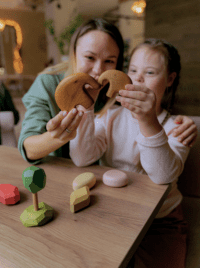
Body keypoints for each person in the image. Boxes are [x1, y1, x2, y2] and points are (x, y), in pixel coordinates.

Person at [70, 38, 193, 268]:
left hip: (161, 221)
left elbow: (163, 176)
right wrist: (86, 108)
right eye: (133, 70)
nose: (138, 78)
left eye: (150, 72)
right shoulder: (111, 116)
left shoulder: (177, 128)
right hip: (115, 212)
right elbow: (82, 157)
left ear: (169, 79)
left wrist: (148, 121)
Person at [18, 18, 197, 165]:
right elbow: (29, 148)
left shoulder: (115, 92)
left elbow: (146, 113)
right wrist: (58, 136)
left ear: (118, 65)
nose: (98, 70)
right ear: (73, 53)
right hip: (57, 174)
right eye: (89, 57)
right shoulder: (48, 84)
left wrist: (186, 122)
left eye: (109, 61)